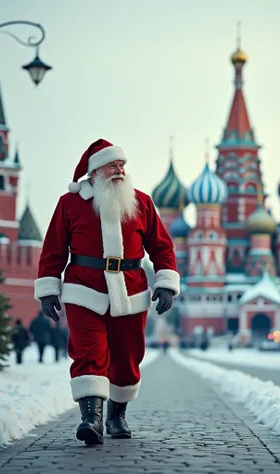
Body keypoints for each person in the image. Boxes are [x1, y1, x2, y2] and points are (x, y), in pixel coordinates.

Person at [34, 139, 179, 446]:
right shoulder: (70, 204)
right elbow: (53, 249)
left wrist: (165, 283)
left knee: (128, 357)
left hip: (131, 290)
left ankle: (116, 415)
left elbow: (162, 246)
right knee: (89, 352)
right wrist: (48, 289)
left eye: (122, 165)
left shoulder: (141, 202)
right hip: (83, 289)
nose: (119, 170)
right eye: (113, 165)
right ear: (95, 170)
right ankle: (91, 419)